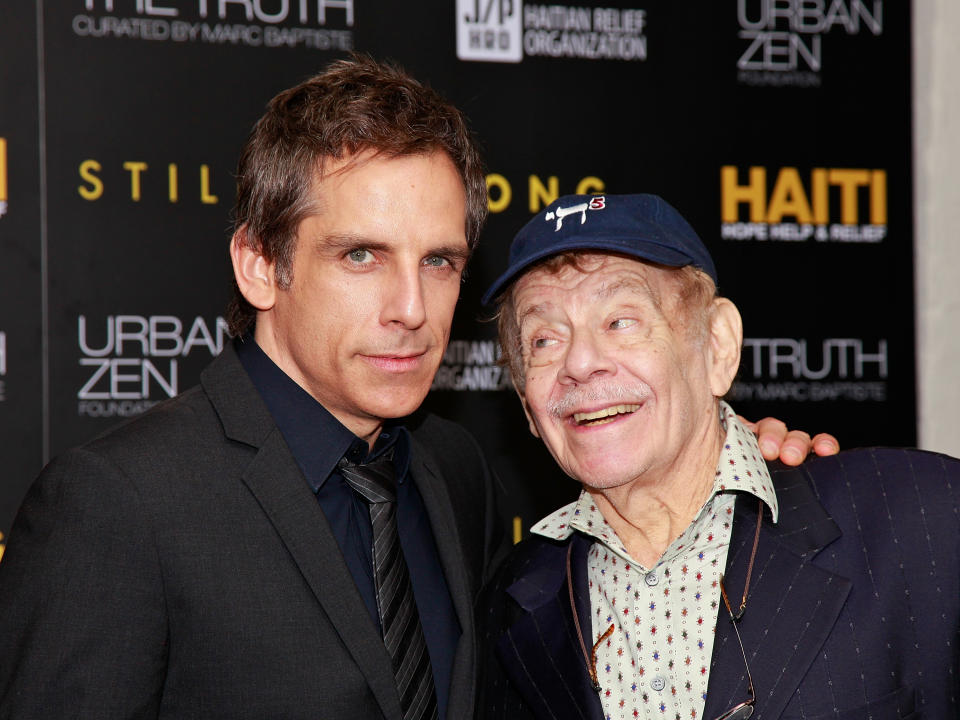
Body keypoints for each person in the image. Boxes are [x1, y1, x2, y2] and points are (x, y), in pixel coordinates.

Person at [0, 59, 831, 719]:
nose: (411, 310)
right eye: (361, 256)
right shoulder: (118, 504)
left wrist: (723, 459)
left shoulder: (450, 470)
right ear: (260, 264)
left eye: (439, 262)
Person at [478, 193, 960, 719]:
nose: (581, 362)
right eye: (545, 339)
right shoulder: (511, 610)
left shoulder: (924, 517)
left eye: (620, 321)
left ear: (717, 346)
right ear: (527, 402)